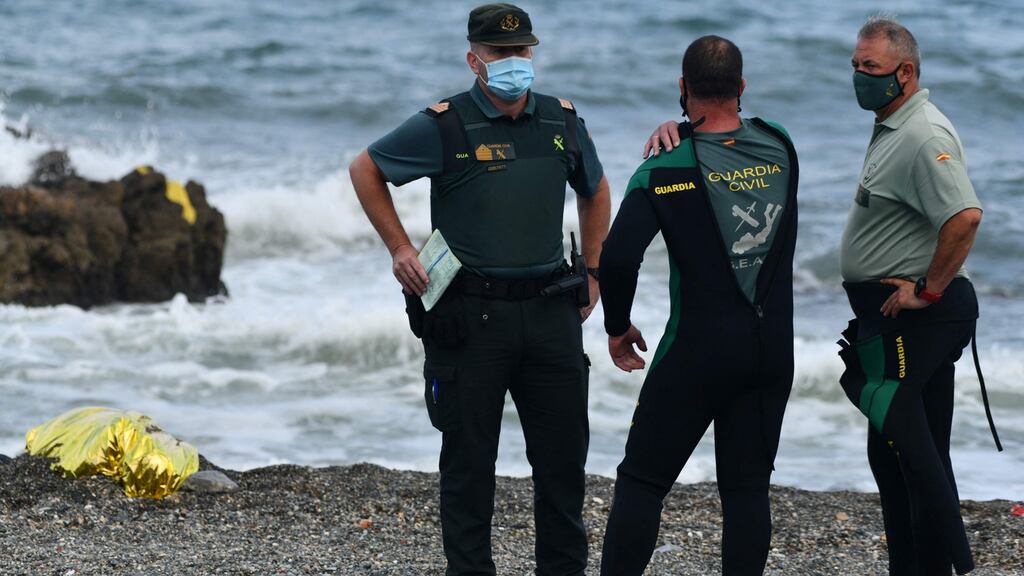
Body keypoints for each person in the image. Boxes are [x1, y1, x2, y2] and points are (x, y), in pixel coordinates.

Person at [348, 4, 611, 575]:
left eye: (522, 52)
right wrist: (399, 247)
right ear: (475, 59)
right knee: (468, 473)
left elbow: (596, 190)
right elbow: (365, 169)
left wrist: (592, 271)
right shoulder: (444, 124)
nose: (514, 63)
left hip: (550, 316)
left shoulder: (561, 121)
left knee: (563, 472)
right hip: (471, 319)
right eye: (500, 54)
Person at [598, 36, 799, 575]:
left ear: (681, 88)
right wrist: (688, 126)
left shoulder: (663, 168)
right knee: (746, 489)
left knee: (642, 482)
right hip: (771, 351)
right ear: (742, 87)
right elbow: (734, 139)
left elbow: (618, 259)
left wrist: (617, 326)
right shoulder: (781, 146)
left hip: (698, 353)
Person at [835, 16, 991, 576]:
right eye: (855, 65)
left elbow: (965, 217)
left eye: (870, 68)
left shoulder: (924, 133)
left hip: (914, 319)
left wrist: (929, 290)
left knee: (903, 436)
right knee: (894, 451)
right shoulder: (893, 124)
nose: (859, 76)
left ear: (905, 73)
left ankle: (958, 562)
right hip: (889, 317)